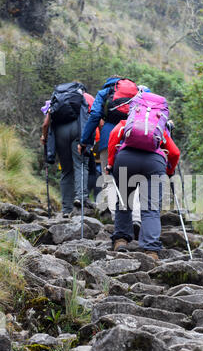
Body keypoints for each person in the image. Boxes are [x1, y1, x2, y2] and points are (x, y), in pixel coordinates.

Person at [106, 112, 180, 260]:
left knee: (123, 201)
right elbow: (174, 152)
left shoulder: (127, 123)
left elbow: (114, 135)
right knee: (151, 208)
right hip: (154, 162)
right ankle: (151, 250)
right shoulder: (159, 128)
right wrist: (169, 171)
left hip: (125, 159)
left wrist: (110, 162)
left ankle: (121, 241)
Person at [78, 76, 141, 229]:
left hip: (109, 137)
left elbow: (94, 116)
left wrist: (84, 141)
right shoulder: (136, 92)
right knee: (135, 178)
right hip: (132, 135)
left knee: (109, 178)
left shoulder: (104, 93)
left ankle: (117, 219)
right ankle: (136, 218)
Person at [40, 82, 92, 218]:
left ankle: (66, 209)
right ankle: (80, 198)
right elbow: (88, 118)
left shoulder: (56, 99)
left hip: (59, 133)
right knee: (80, 164)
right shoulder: (81, 98)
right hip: (76, 129)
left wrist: (44, 137)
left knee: (66, 170)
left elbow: (46, 123)